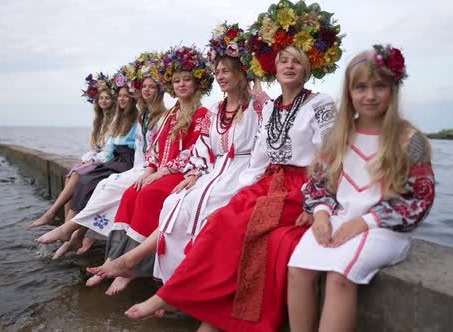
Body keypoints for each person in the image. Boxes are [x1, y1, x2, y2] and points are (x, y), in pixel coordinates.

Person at [122, 2, 344, 331]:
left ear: (309, 66)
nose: (289, 65)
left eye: (297, 60)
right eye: (283, 59)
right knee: (220, 219)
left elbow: (328, 159)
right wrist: (240, 196)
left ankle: (174, 298)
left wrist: (319, 204)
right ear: (273, 66)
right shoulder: (271, 110)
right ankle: (184, 299)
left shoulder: (319, 103)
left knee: (245, 228)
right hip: (268, 183)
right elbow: (258, 162)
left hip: (301, 188)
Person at [87, 23, 269, 285]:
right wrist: (194, 173)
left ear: (242, 73)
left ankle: (146, 268)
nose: (220, 76)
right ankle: (156, 273)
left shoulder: (255, 106)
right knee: (175, 203)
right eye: (217, 71)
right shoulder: (217, 109)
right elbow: (202, 148)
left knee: (190, 207)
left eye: (226, 71)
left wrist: (258, 92)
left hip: (241, 174)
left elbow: (271, 131)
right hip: (213, 173)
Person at [287, 45, 435, 332]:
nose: (369, 95)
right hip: (339, 218)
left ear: (393, 89)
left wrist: (366, 221)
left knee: (340, 275)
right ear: (349, 93)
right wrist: (320, 214)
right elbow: (319, 183)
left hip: (384, 227)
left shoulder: (408, 139)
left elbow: (419, 198)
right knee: (297, 270)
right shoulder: (339, 136)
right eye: (361, 87)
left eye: (379, 86)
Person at [33, 56, 168, 263]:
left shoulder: (159, 116)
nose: (146, 90)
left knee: (103, 185)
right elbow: (125, 148)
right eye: (144, 87)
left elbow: (155, 150)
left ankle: (74, 233)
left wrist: (149, 169)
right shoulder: (143, 117)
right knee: (98, 182)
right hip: (139, 165)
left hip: (144, 166)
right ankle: (72, 233)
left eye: (152, 87)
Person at [28, 73, 115, 229]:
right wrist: (88, 159)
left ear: (112, 100)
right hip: (97, 157)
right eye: (101, 98)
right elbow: (95, 147)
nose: (103, 101)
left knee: (77, 175)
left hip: (109, 160)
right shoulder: (99, 120)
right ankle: (65, 224)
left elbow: (110, 149)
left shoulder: (115, 119)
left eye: (107, 98)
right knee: (70, 176)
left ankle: (52, 214)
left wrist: (92, 161)